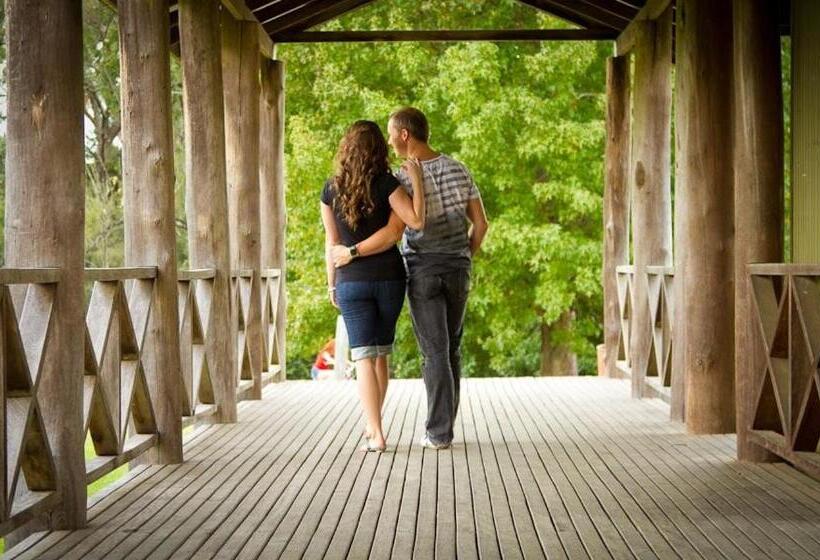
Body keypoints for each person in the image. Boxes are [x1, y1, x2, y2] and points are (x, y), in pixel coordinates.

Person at [333, 107, 489, 450]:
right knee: (451, 350)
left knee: (434, 352)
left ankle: (438, 433)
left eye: (391, 133)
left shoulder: (399, 178)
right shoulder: (460, 169)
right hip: (457, 268)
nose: (389, 139)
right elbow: (481, 224)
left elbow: (397, 227)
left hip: (422, 269)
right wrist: (465, 256)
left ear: (405, 135)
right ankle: (444, 426)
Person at [320, 120, 425, 452]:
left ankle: (376, 432)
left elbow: (331, 242)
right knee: (379, 355)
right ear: (380, 148)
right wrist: (417, 183)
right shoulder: (388, 184)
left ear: (346, 148)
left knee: (363, 356)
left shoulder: (330, 189)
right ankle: (373, 423)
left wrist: (332, 283)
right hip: (390, 278)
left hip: (352, 282)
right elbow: (409, 224)